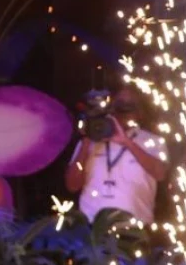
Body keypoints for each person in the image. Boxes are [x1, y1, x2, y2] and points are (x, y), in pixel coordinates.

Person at [64, 87, 168, 224]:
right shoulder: (90, 141)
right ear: (111, 109)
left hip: (134, 227)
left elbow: (160, 174)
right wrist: (87, 140)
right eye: (119, 105)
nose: (123, 110)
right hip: (92, 227)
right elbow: (72, 185)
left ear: (140, 113)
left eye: (129, 106)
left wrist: (127, 143)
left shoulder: (152, 141)